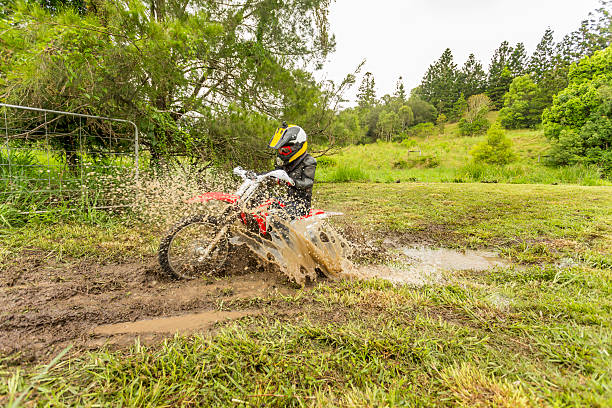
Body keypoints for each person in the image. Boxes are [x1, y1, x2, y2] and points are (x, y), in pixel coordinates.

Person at [268, 122, 317, 219]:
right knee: (265, 206)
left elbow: (308, 182)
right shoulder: (284, 162)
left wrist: (292, 182)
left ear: (298, 146)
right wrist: (258, 176)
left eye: (285, 151)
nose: (282, 153)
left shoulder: (309, 161)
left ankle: (282, 234)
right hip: (286, 199)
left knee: (280, 216)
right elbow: (275, 173)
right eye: (280, 151)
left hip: (301, 203)